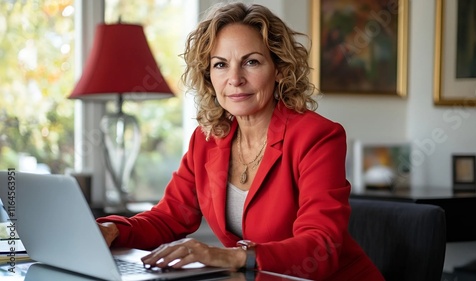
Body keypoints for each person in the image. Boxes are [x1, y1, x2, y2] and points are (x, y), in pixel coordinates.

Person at [97, 2, 384, 280]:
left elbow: (320, 246)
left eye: (251, 62)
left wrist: (232, 256)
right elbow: (169, 217)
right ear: (209, 76)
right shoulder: (206, 139)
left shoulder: (317, 137)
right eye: (221, 64)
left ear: (280, 69)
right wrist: (112, 230)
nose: (235, 78)